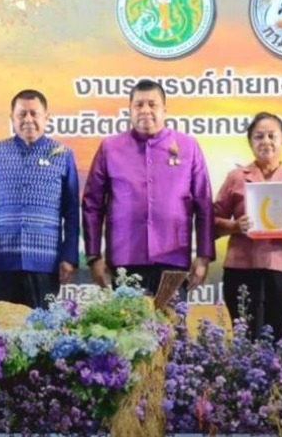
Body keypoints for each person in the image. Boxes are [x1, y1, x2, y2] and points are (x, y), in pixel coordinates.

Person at [82, 79, 215, 295]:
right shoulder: (110, 147)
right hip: (124, 258)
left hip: (174, 257)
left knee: (172, 317)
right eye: (139, 105)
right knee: (127, 319)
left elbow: (204, 205)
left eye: (152, 105)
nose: (145, 110)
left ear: (164, 110)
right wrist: (94, 256)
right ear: (130, 110)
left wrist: (203, 256)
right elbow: (92, 205)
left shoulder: (188, 146)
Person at [214, 112, 282, 339]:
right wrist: (235, 226)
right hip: (242, 270)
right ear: (250, 142)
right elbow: (212, 222)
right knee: (246, 339)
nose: (266, 142)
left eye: (272, 136)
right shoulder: (235, 177)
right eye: (259, 136)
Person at [0, 89, 79, 309]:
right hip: (3, 261)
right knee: (3, 326)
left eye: (34, 113)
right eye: (22, 114)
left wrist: (69, 256)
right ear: (12, 118)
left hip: (46, 262)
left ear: (46, 117)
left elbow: (72, 213)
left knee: (42, 327)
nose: (28, 120)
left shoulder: (63, 155)